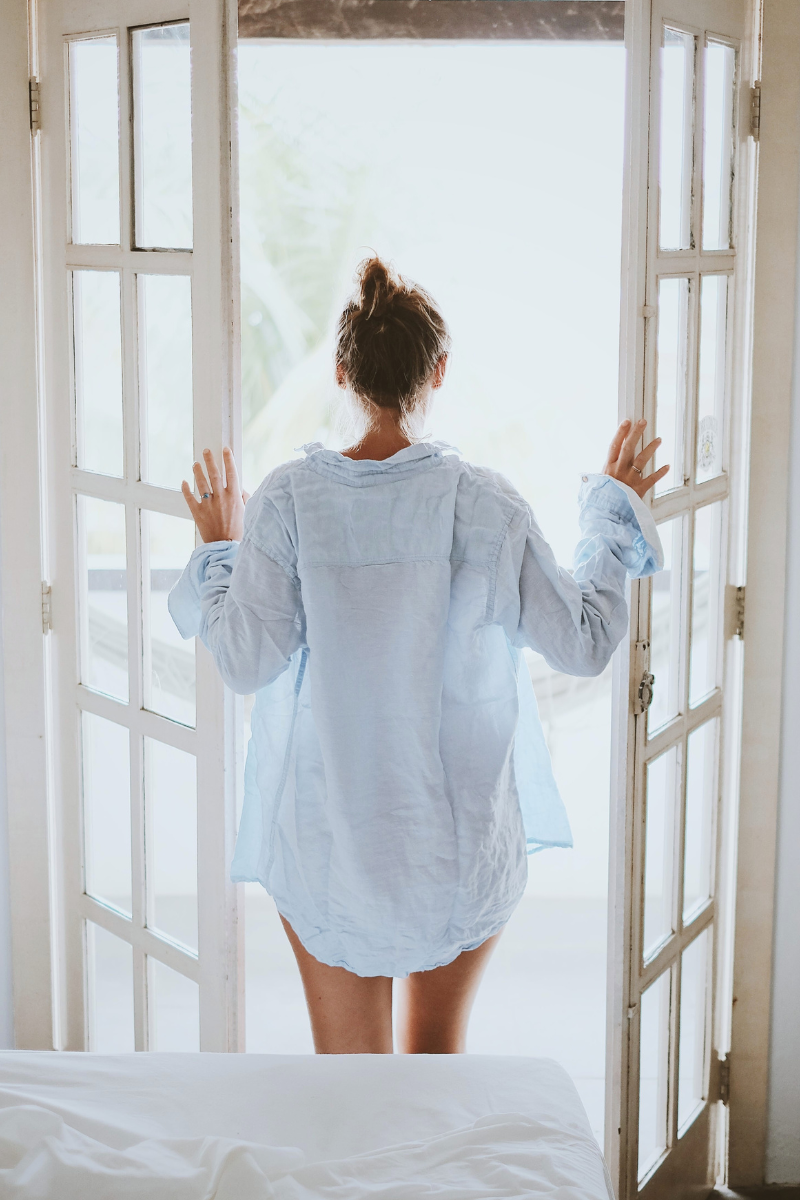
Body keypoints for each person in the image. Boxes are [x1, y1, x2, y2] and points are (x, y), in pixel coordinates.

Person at [169, 257, 667, 1056]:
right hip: (457, 850)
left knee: (350, 1079)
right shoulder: (488, 503)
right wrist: (613, 518)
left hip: (328, 846)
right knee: (436, 1069)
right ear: (438, 372)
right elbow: (582, 642)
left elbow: (244, 664)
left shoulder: (287, 502)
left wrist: (220, 548)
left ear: (341, 371)